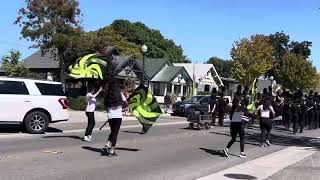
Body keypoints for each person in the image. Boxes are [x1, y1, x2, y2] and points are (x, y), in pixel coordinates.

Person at [102, 81, 127, 156]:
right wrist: (122, 107)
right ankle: (111, 150)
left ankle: (108, 143)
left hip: (110, 116)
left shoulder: (107, 94)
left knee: (113, 131)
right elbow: (126, 103)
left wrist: (110, 111)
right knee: (115, 133)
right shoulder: (120, 93)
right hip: (118, 116)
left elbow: (105, 106)